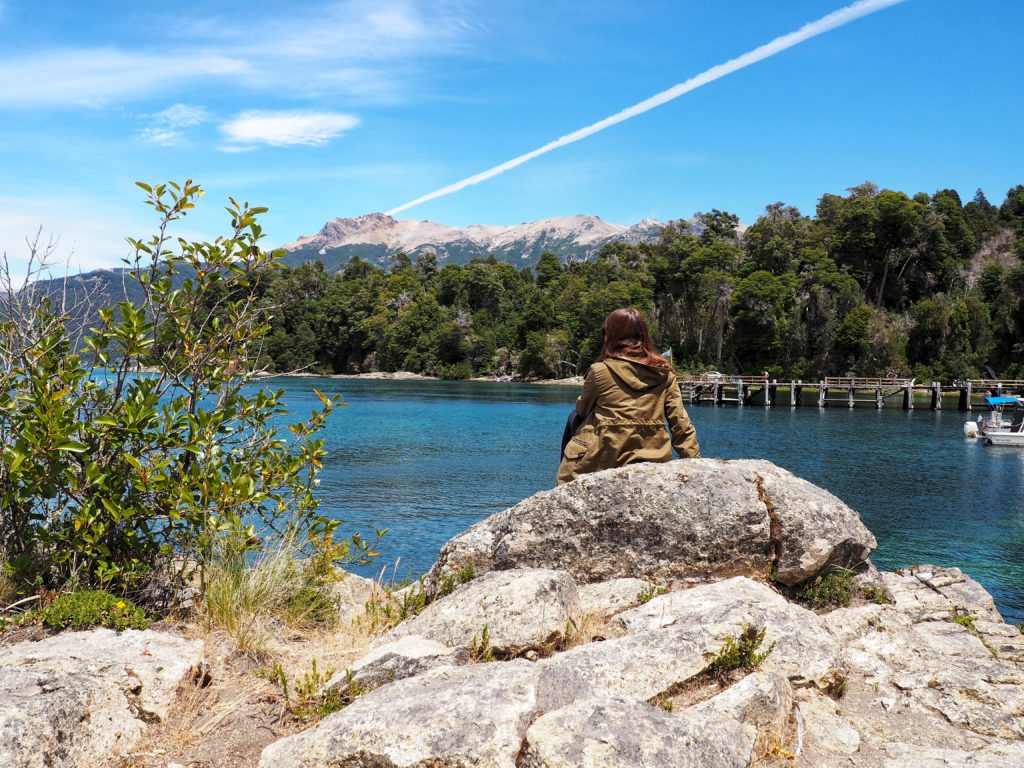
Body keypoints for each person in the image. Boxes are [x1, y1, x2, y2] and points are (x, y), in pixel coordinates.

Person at [557, 307, 700, 485]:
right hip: (654, 455)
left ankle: (569, 483)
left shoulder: (600, 370)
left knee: (573, 417)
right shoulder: (664, 374)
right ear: (643, 335)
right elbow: (680, 424)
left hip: (605, 457)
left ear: (611, 336)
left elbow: (582, 409)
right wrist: (694, 462)